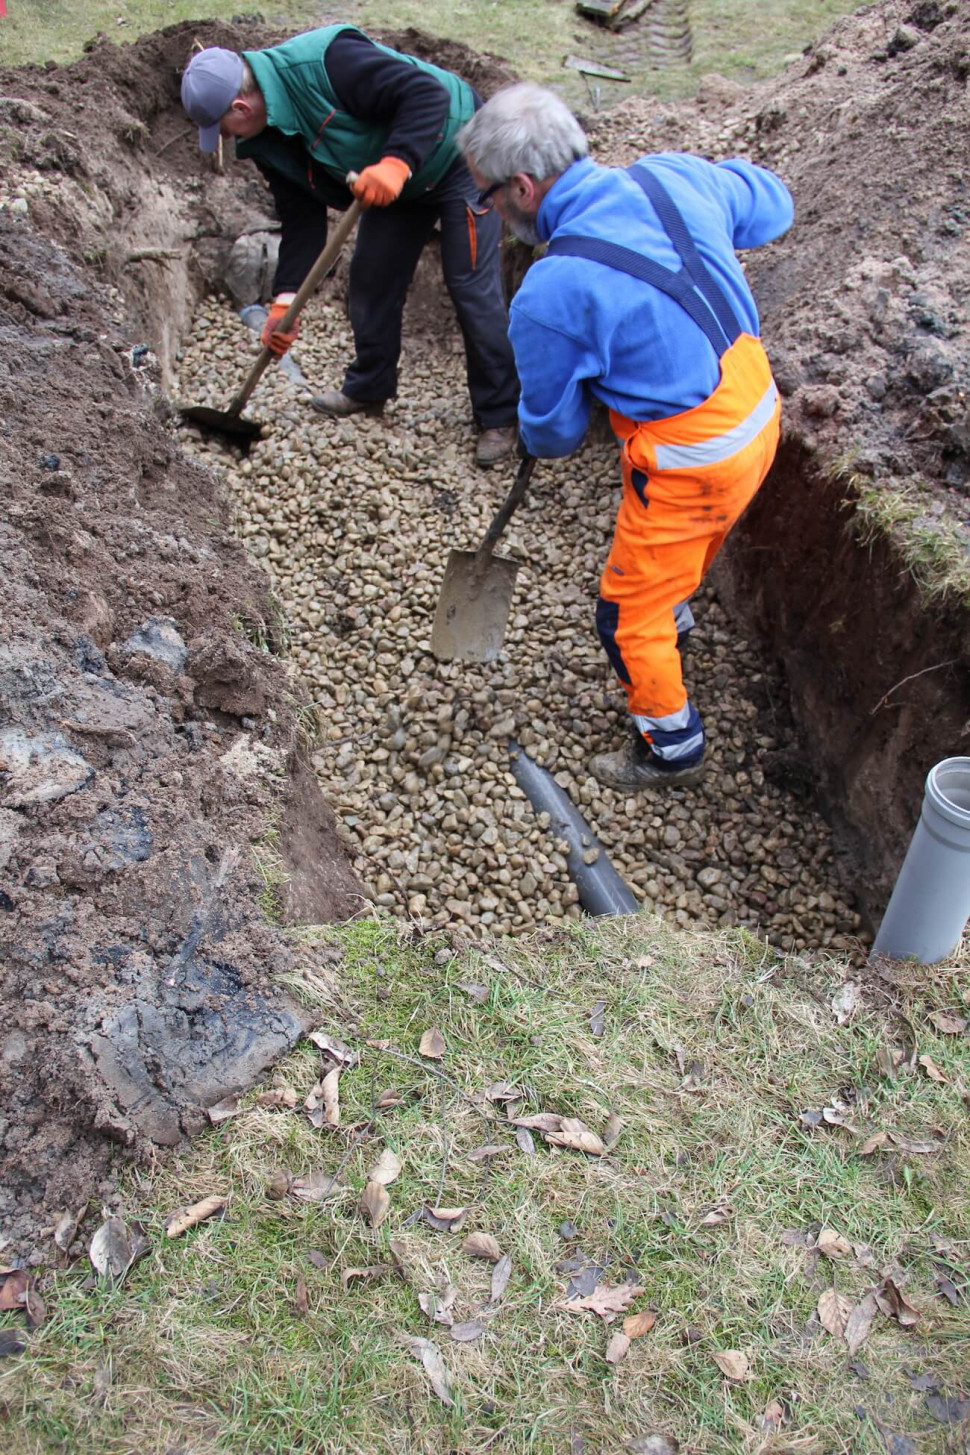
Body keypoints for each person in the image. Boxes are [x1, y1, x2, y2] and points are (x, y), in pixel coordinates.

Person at [458, 84, 794, 790]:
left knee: (623, 613)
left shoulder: (551, 293)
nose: (488, 209)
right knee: (681, 543)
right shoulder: (673, 174)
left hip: (695, 455)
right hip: (759, 410)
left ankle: (672, 747)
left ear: (523, 187)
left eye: (488, 196)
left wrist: (536, 422)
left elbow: (554, 433)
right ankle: (676, 606)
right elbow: (774, 203)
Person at [180, 27, 520, 468]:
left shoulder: (328, 62)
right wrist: (286, 301)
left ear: (241, 107)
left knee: (471, 286)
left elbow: (426, 95)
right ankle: (369, 387)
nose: (225, 139)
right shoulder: (266, 138)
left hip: (460, 152)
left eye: (221, 128)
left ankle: (498, 416)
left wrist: (396, 163)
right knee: (371, 278)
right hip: (392, 178)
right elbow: (302, 220)